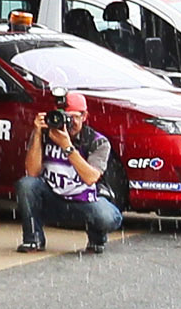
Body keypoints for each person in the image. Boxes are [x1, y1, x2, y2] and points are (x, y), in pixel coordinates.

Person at [19, 90, 122, 255]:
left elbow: (90, 178)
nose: (69, 122)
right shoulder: (47, 133)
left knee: (106, 216)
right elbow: (32, 172)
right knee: (26, 185)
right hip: (53, 199)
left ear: (84, 116)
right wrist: (38, 134)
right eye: (65, 116)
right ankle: (33, 239)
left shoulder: (97, 141)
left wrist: (67, 146)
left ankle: (97, 238)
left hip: (85, 201)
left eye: (74, 117)